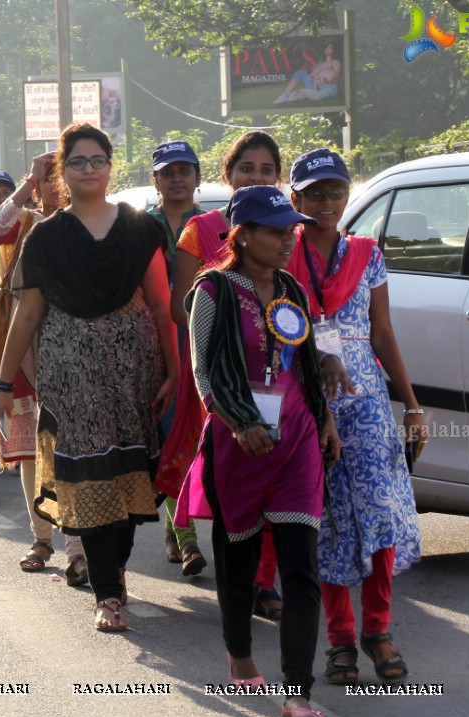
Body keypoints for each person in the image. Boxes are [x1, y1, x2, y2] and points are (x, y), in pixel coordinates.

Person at [0, 123, 178, 632]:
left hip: (135, 371)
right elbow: (27, 316)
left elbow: (162, 307)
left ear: (111, 167)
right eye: (78, 162)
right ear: (62, 172)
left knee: (129, 480)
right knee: (90, 479)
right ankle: (108, 594)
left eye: (97, 160)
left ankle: (114, 571)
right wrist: (4, 385)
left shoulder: (141, 227)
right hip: (70, 375)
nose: (89, 169)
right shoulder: (46, 238)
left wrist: (176, 372)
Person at [177, 184, 341, 717]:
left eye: (290, 230)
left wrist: (325, 417)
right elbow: (204, 371)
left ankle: (297, 689)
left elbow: (298, 362)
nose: (288, 240)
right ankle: (241, 655)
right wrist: (239, 422)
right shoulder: (214, 291)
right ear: (242, 235)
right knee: (238, 559)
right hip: (239, 443)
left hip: (295, 442)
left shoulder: (292, 287)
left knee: (301, 566)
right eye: (275, 231)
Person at [284, 148, 425, 686]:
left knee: (381, 514)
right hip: (304, 398)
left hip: (364, 400)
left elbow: (384, 333)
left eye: (335, 191)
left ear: (348, 196)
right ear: (294, 197)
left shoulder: (368, 253)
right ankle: (340, 638)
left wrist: (410, 405)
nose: (325, 201)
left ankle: (378, 629)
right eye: (314, 192)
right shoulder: (279, 255)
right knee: (325, 519)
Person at [167, 131, 288, 621]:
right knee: (232, 472)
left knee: (274, 469)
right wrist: (228, 336)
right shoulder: (202, 229)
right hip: (217, 375)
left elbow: (292, 301)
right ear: (227, 173)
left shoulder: (285, 229)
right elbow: (180, 307)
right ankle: (230, 566)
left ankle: (264, 580)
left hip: (274, 370)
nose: (254, 177)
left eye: (265, 170)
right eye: (246, 169)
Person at [0, 152, 85, 579]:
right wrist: (29, 180)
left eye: (66, 177)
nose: (58, 186)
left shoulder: (92, 223)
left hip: (78, 345)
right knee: (30, 451)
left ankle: (78, 548)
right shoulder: (24, 222)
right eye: (52, 179)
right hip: (24, 347)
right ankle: (41, 538)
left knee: (76, 449)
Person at [147, 140, 208, 576]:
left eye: (184, 170)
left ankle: (182, 523)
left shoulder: (212, 225)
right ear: (156, 180)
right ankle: (184, 535)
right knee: (171, 436)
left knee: (203, 437)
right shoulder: (140, 226)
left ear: (197, 176)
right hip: (153, 342)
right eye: (168, 172)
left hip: (203, 339)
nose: (177, 178)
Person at [275, 42, 341, 104]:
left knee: (315, 96)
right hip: (316, 86)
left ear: (334, 50)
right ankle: (285, 95)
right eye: (326, 47)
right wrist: (321, 70)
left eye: (330, 47)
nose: (327, 48)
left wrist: (325, 78)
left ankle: (303, 96)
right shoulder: (321, 64)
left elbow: (335, 80)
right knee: (300, 73)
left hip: (328, 87)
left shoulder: (335, 62)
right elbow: (311, 76)